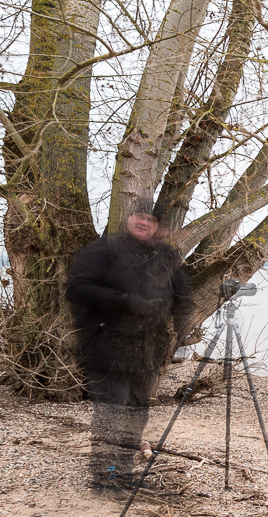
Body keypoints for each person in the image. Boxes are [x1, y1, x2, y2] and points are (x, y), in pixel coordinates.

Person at [66, 199, 193, 493]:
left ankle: (124, 471)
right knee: (111, 410)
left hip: (147, 350)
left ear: (158, 226)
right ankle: (103, 475)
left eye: (150, 219)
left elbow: (184, 297)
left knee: (137, 412)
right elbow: (77, 288)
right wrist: (124, 301)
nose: (143, 222)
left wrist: (176, 334)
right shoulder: (105, 248)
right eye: (139, 216)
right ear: (128, 218)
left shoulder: (166, 255)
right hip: (106, 345)